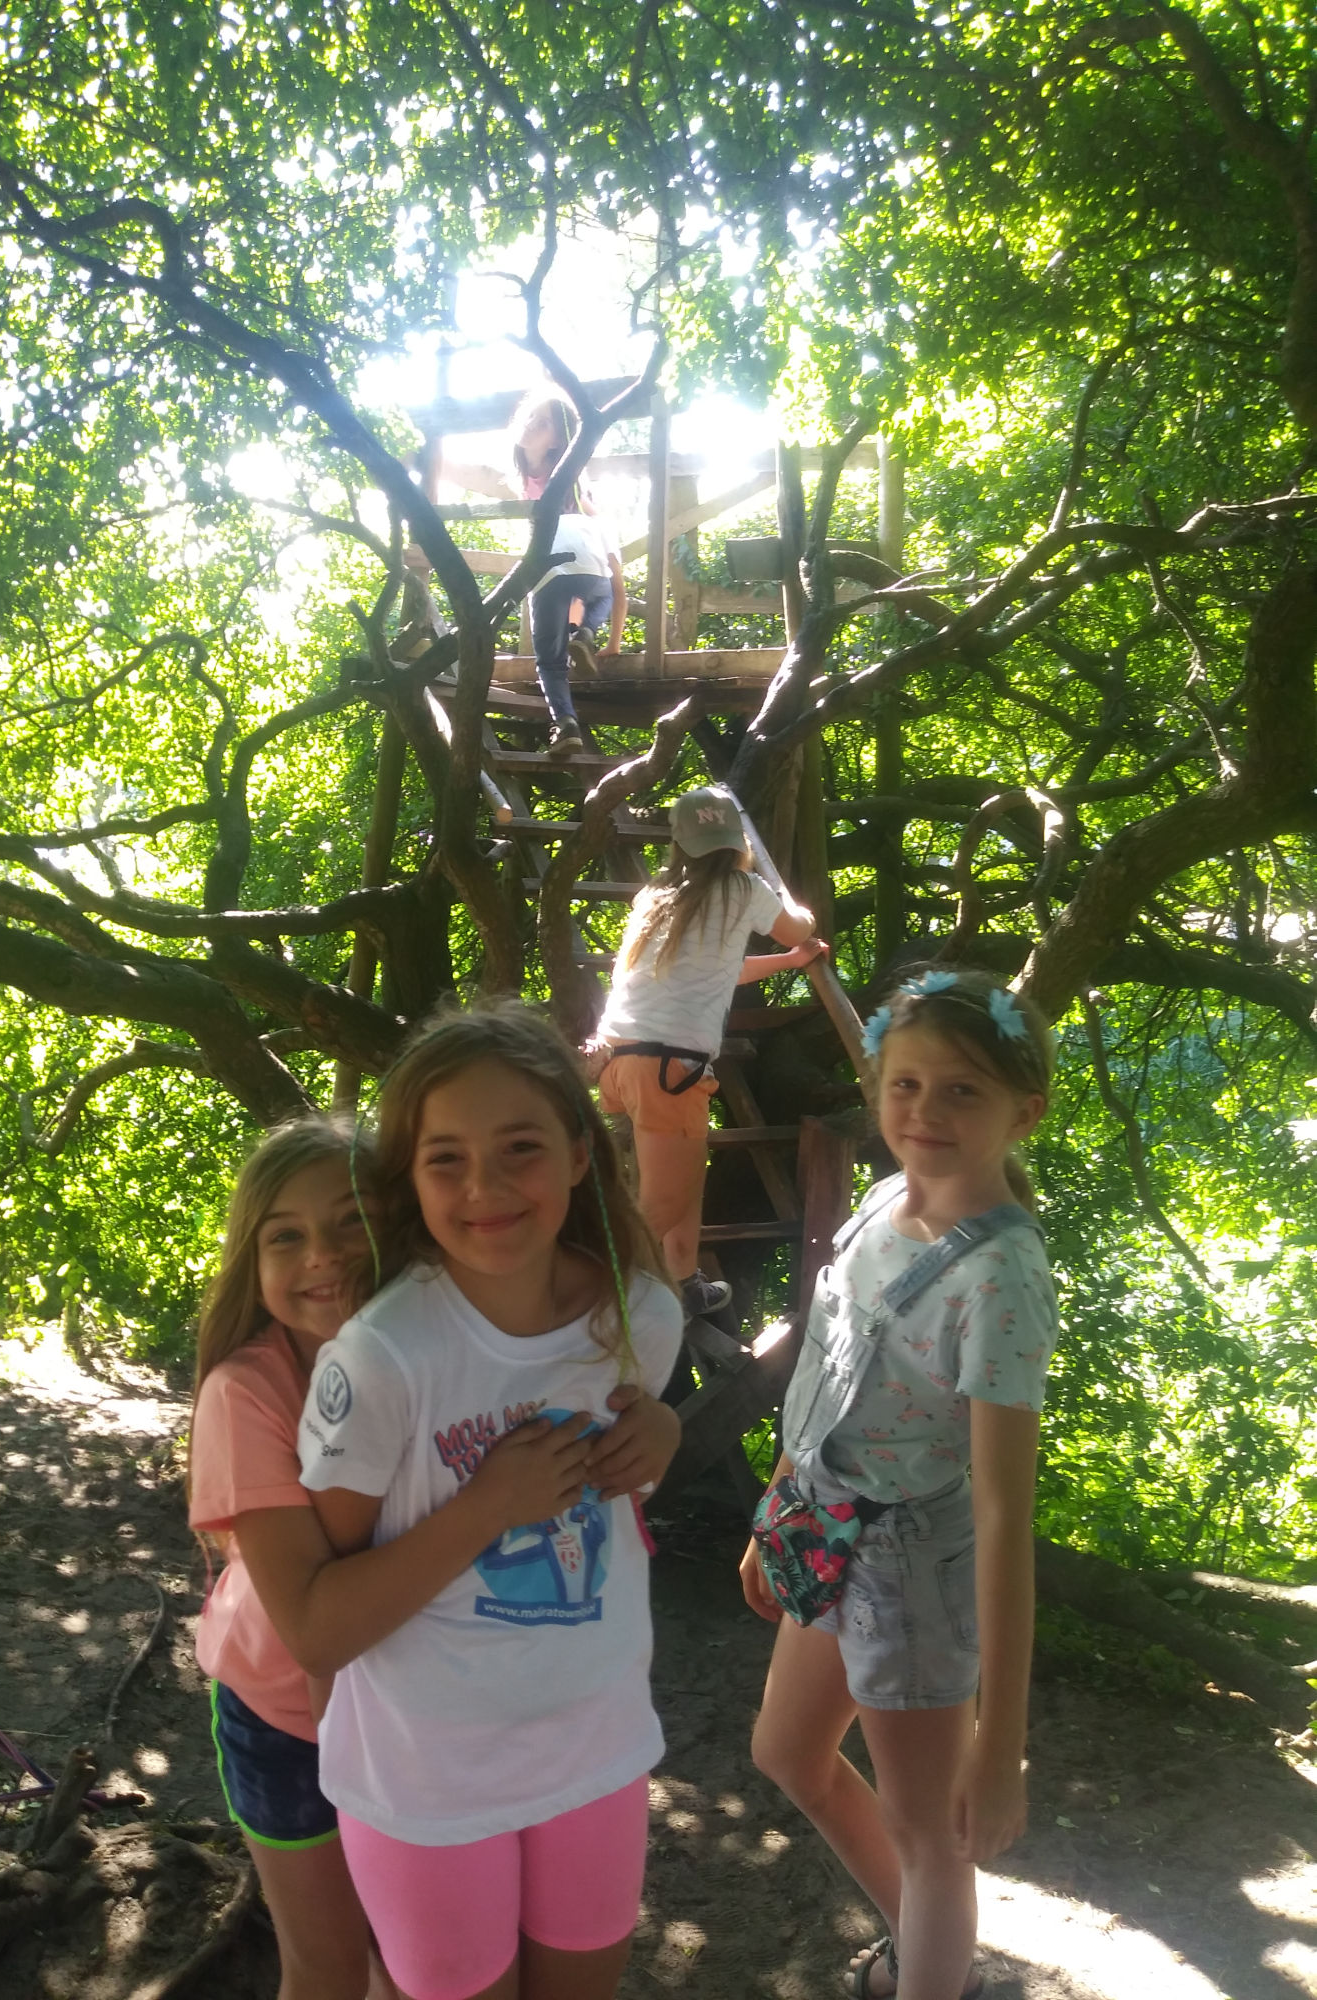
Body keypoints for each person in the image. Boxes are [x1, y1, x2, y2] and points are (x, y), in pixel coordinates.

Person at [295, 998, 685, 2000]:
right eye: (447, 1159)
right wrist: (484, 1509)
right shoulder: (381, 1359)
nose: (486, 1187)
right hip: (427, 1780)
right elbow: (325, 1622)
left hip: (595, 1749)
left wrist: (663, 1441)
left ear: (580, 1153)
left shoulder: (639, 1318)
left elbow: (616, 1497)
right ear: (409, 1177)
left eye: (521, 1148)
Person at [740, 967, 1058, 2000]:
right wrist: (778, 1509)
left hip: (912, 1568)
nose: (925, 1110)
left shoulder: (1000, 1278)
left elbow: (1004, 1516)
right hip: (828, 1525)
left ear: (1023, 1112)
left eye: (963, 1090)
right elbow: (831, 1366)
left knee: (933, 1836)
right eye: (906, 1084)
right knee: (789, 1752)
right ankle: (928, 1951)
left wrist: (999, 1746)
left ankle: (931, 1969)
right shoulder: (884, 1201)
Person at [187, 1117, 395, 2000]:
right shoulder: (246, 1391)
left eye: (353, 1220)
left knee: (412, 1960)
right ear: (254, 1260)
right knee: (328, 1964)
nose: (323, 1255)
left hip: (414, 1714)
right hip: (282, 1724)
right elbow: (313, 1625)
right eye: (286, 1236)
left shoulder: (442, 1358)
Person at [591, 784, 821, 1320]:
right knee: (662, 1202)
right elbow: (798, 927)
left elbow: (719, 972)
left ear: (680, 844)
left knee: (686, 1175)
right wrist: (799, 910)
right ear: (737, 843)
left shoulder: (658, 897)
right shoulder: (743, 888)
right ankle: (586, 1301)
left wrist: (790, 962)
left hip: (626, 1061)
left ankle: (683, 1280)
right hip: (669, 1066)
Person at [511, 391, 627, 760]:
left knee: (549, 661)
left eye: (543, 422)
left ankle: (565, 724)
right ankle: (586, 633)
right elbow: (618, 592)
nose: (532, 423)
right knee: (602, 591)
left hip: (548, 569)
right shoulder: (591, 516)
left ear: (558, 441)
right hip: (587, 568)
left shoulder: (567, 481)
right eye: (531, 416)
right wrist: (612, 642)